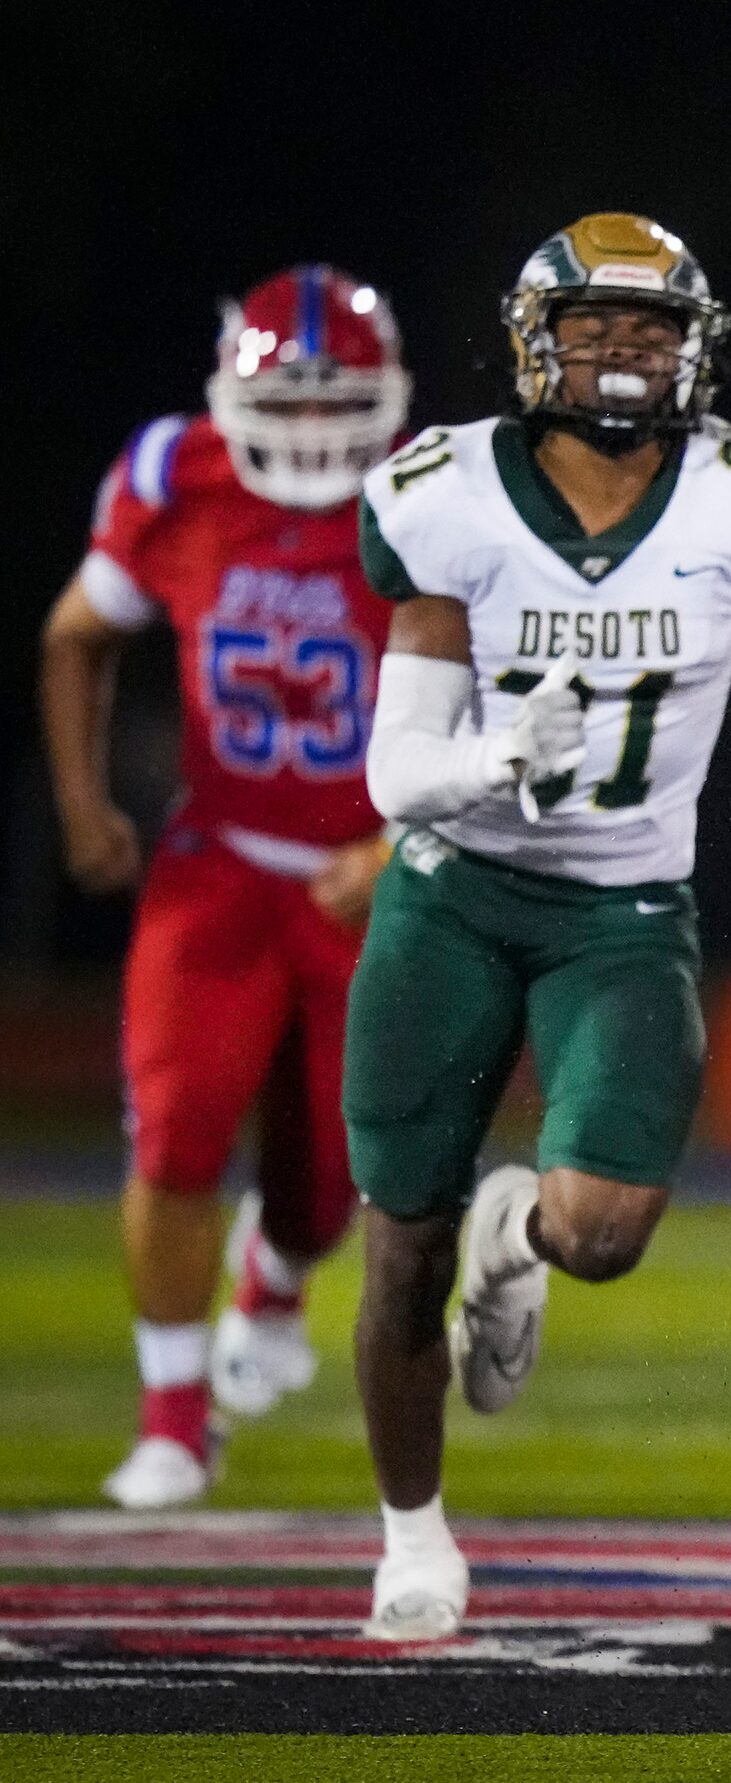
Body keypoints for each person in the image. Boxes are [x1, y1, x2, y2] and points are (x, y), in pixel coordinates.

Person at [347, 213, 731, 1639]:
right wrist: (485, 762)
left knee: (604, 1232)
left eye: (651, 327)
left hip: (625, 907)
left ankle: (515, 1235)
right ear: (537, 339)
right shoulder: (447, 493)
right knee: (399, 1241)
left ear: (694, 346)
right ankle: (413, 1535)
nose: (622, 351)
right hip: (451, 893)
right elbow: (395, 768)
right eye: (594, 322)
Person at [38, 266, 410, 1508]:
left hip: (370, 880)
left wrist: (409, 843)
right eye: (286, 404)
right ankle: (172, 1419)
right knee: (178, 1132)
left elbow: (511, 702)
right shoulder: (173, 477)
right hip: (224, 866)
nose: (310, 431)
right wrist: (85, 805)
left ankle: (280, 1268)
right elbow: (77, 633)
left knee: (330, 1181)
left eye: (334, 403)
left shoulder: (433, 492)